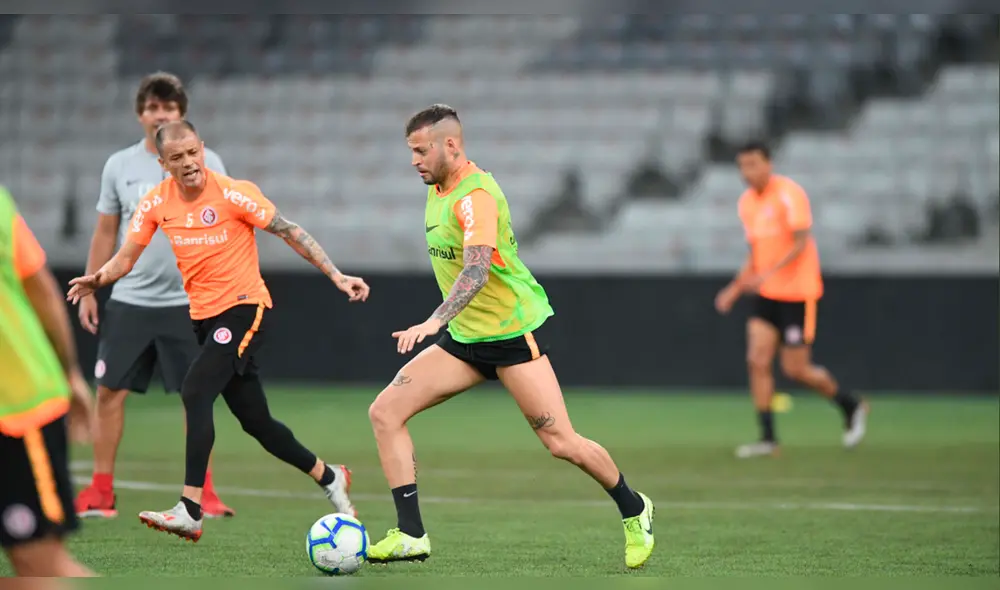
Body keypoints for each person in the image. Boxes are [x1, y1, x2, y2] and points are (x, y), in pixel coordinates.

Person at [365, 105, 655, 569]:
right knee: (384, 412)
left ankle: (634, 507)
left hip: (510, 336)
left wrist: (435, 319)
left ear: (451, 145)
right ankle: (411, 534)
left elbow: (477, 268)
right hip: (464, 339)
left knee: (561, 443)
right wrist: (448, 324)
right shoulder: (438, 189)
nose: (415, 160)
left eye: (421, 151)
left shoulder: (475, 195)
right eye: (411, 152)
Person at [66, 121, 369, 543]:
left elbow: (289, 230)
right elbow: (126, 257)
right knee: (256, 422)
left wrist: (336, 275)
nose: (188, 163)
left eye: (193, 152)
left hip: (245, 307)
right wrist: (97, 279)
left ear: (202, 148)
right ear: (163, 163)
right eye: (177, 157)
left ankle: (190, 508)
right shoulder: (156, 203)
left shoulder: (233, 192)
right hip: (205, 319)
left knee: (194, 389)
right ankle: (330, 475)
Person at [74, 72, 234, 520]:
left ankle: (204, 492)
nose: (159, 114)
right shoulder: (119, 166)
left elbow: (223, 224)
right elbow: (106, 230)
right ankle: (101, 491)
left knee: (198, 397)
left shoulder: (209, 161)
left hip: (190, 302)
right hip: (130, 300)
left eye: (167, 107)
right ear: (140, 114)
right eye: (151, 107)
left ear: (181, 114)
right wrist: (92, 285)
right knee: (108, 392)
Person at [714, 141, 869, 459]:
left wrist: (767, 272)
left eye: (753, 164)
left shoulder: (790, 194)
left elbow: (800, 243)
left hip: (797, 293)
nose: (747, 172)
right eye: (742, 166)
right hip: (766, 293)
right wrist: (734, 287)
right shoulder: (747, 203)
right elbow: (756, 253)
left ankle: (850, 404)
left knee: (796, 369)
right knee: (757, 360)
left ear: (768, 164)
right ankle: (768, 438)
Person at [0, 184, 97, 576]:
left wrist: (68, 371)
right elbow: (39, 286)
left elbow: (39, 287)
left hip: (16, 407)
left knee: (40, 565)